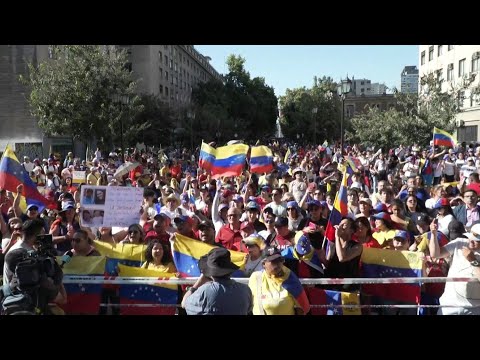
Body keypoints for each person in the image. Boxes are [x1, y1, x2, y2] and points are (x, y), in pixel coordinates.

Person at [2, 219, 65, 315]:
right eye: (43, 234)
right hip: (24, 302)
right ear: (37, 234)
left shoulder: (18, 249)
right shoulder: (23, 254)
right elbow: (62, 299)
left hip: (15, 303)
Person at [181, 247, 253, 315]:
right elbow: (248, 309)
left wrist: (197, 284)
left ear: (210, 273)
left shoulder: (205, 291)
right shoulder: (245, 290)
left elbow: (184, 304)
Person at [429, 221, 480, 315]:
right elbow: (435, 254)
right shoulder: (459, 243)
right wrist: (434, 235)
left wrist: (472, 260)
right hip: (450, 305)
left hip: (475, 308)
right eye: (470, 238)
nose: (471, 241)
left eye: (476, 240)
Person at [248, 247, 310, 315]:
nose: (277, 264)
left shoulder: (290, 278)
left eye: (279, 260)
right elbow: (248, 304)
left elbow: (303, 308)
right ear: (263, 264)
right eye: (273, 261)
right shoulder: (256, 278)